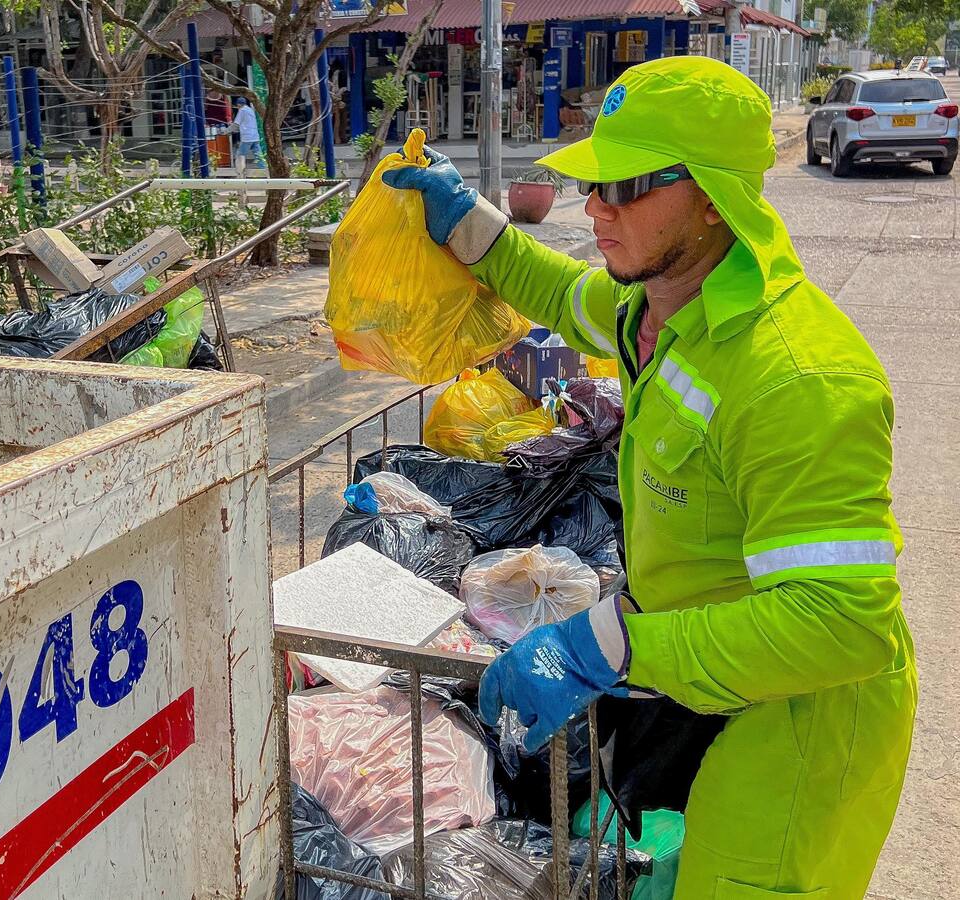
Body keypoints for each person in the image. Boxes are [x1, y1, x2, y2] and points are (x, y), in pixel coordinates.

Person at [384, 56, 914, 899]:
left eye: (626, 184)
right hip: (706, 685)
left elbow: (842, 626)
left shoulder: (797, 379)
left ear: (712, 195)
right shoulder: (656, 307)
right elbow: (556, 290)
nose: (596, 207)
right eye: (596, 183)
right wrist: (463, 218)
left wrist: (609, 644)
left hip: (795, 732)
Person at [231, 96, 264, 175]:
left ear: (238, 104)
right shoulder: (250, 110)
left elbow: (236, 124)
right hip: (255, 136)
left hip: (247, 138)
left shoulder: (242, 110)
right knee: (259, 156)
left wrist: (226, 131)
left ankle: (240, 173)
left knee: (240, 155)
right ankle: (265, 171)